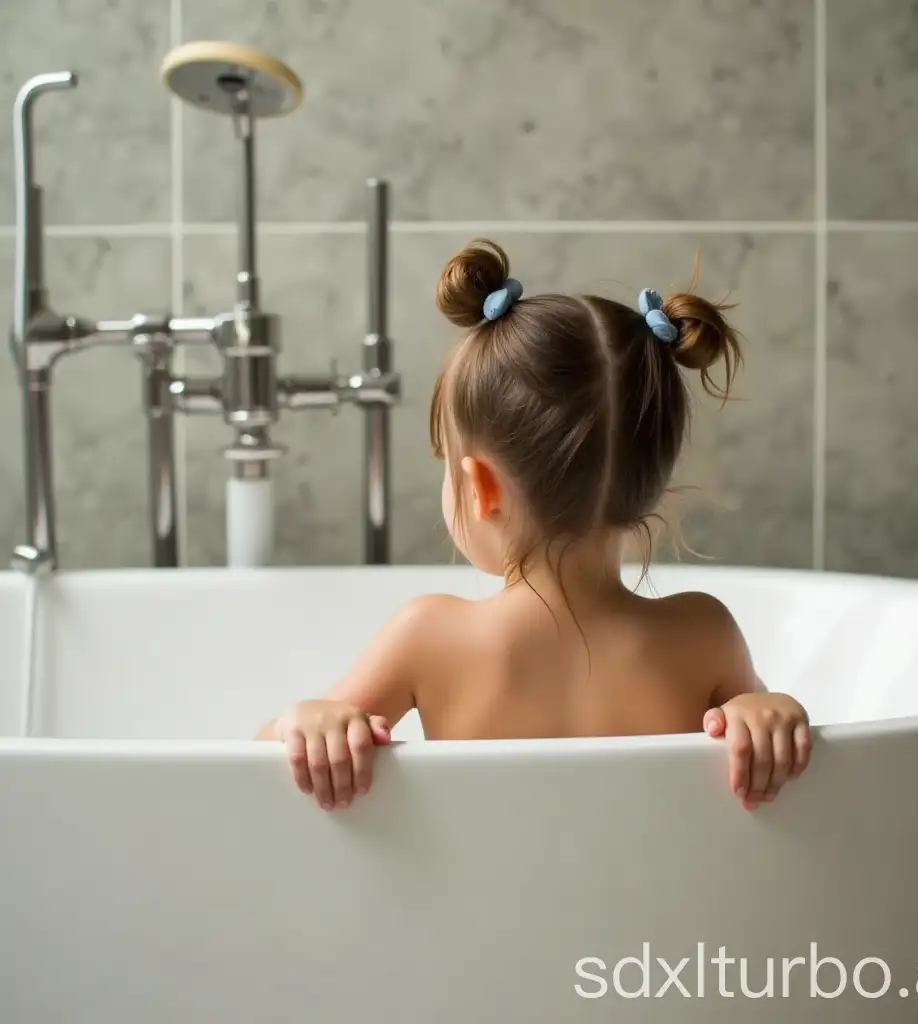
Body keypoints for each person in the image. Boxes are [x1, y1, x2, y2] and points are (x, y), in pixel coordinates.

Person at [257, 240, 812, 813]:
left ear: (481, 487)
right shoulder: (704, 635)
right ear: (652, 477)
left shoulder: (429, 637)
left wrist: (304, 724)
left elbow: (247, 771)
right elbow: (772, 749)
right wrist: (767, 714)